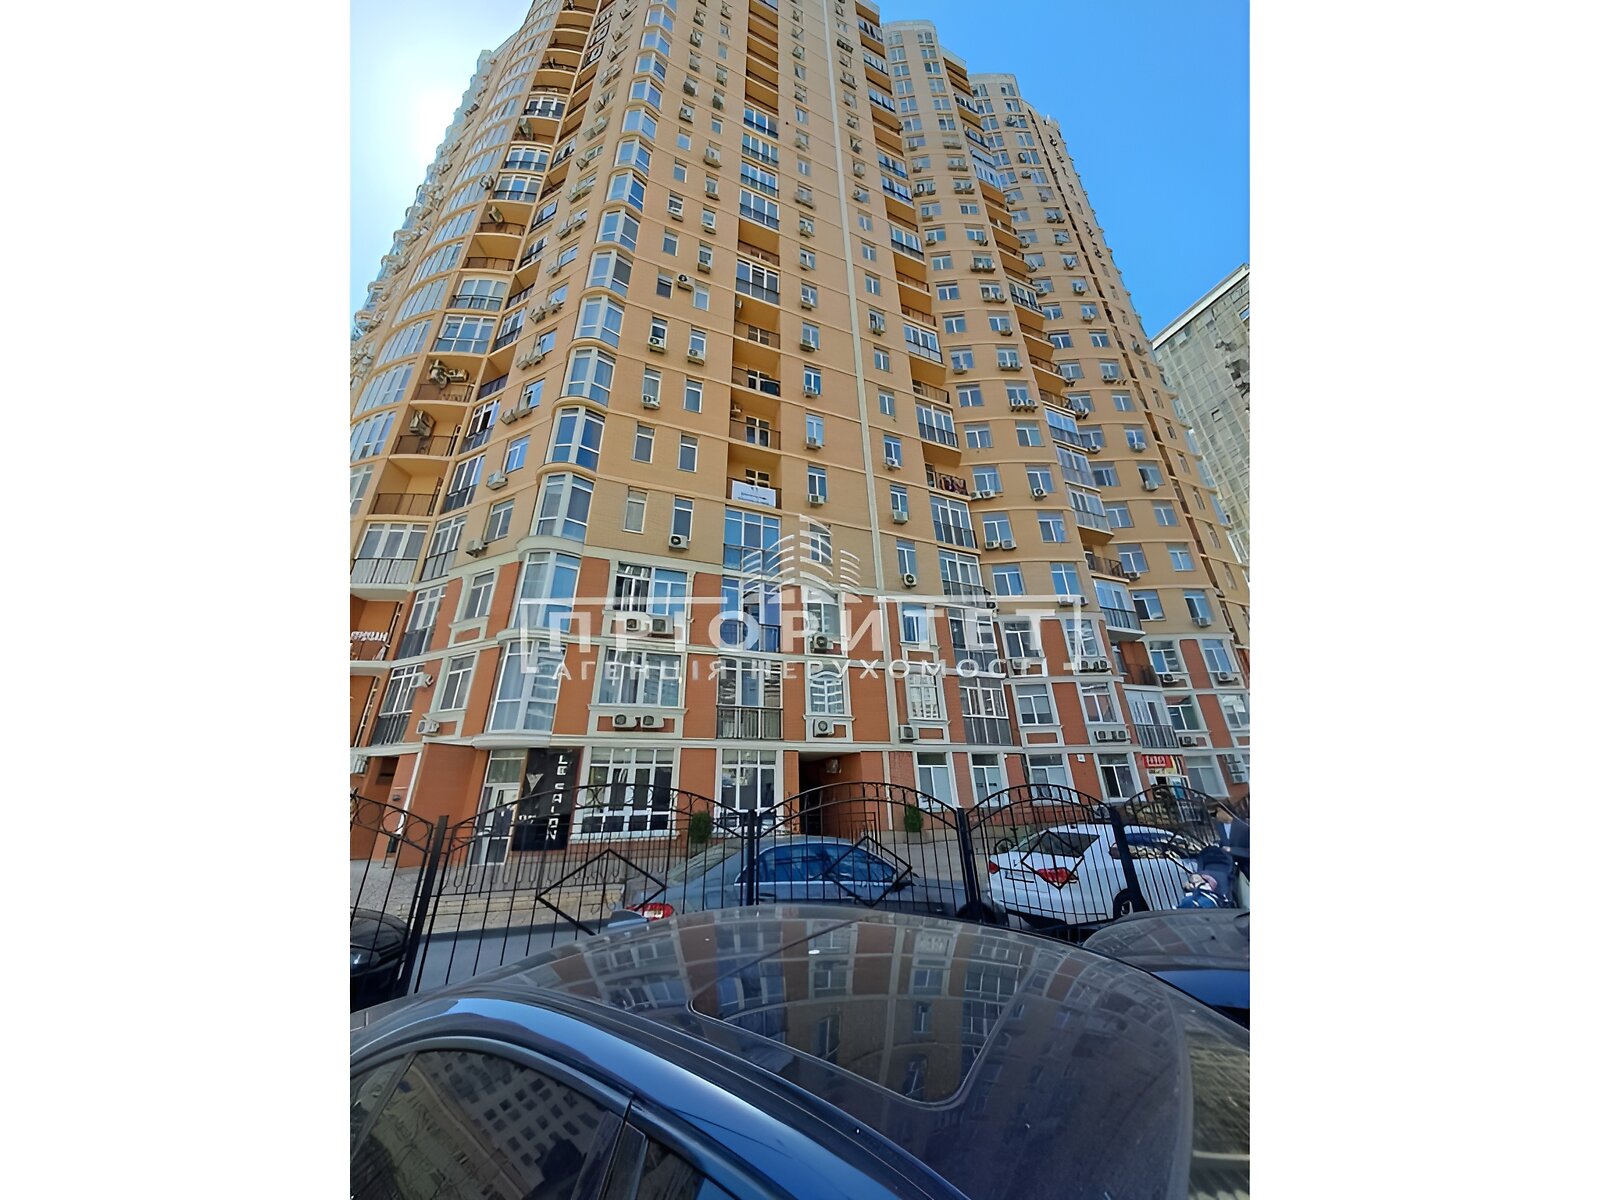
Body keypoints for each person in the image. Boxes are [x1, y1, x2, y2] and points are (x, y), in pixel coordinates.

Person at [1214, 803, 1250, 882]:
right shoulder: (1219, 825)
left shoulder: (1245, 826)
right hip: (1229, 865)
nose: (1217, 815)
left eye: (1219, 811)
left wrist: (1231, 850)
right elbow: (1225, 841)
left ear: (1227, 812)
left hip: (1246, 864)